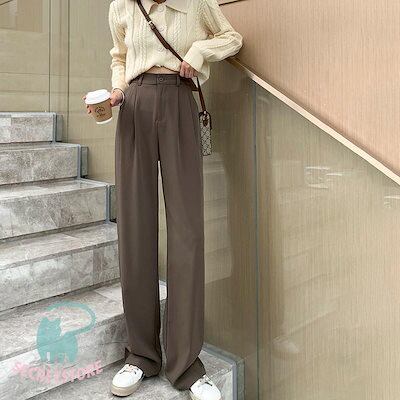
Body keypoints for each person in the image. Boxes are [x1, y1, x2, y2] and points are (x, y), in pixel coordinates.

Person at [87, 0, 242, 398]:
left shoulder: (196, 3)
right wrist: (117, 91)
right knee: (135, 229)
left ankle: (186, 365)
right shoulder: (121, 6)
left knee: (187, 232)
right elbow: (119, 56)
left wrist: (199, 52)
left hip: (179, 101)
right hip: (133, 106)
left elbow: (232, 38)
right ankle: (141, 355)